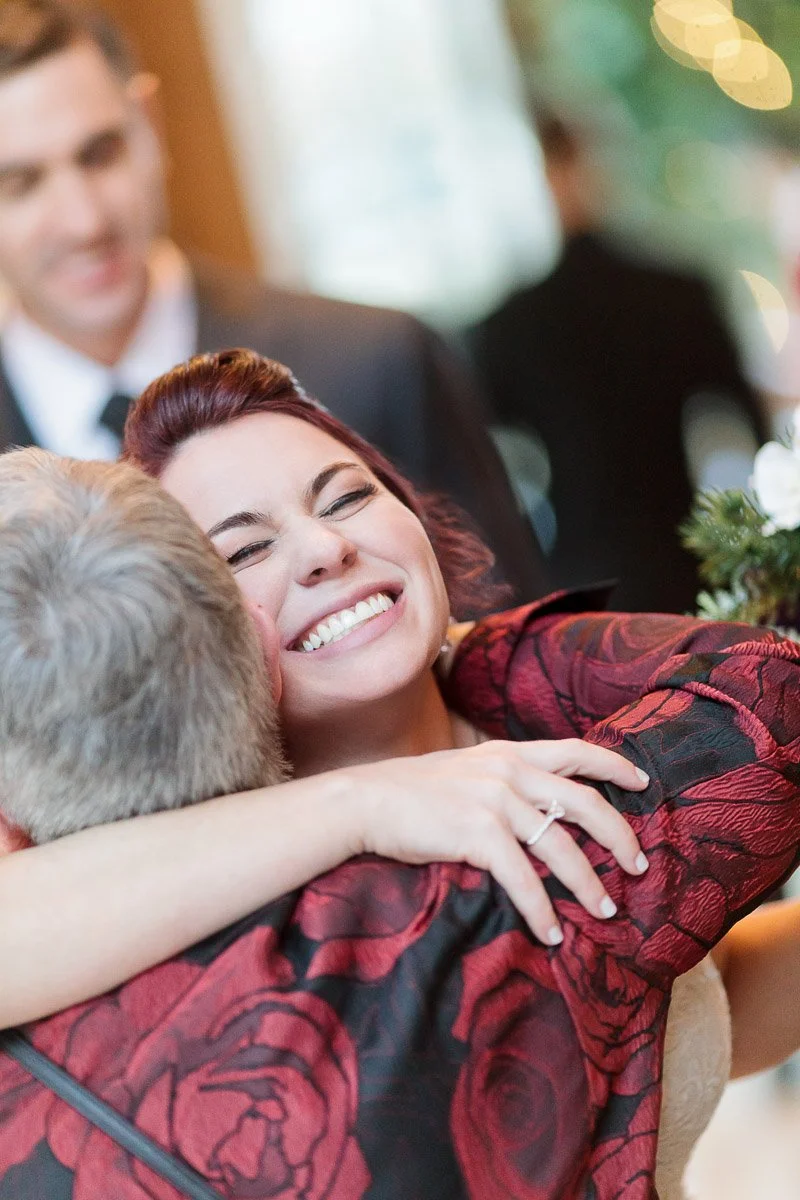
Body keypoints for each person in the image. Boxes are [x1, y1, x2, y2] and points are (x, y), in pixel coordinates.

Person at [1, 353, 799, 1199]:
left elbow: (681, 1012)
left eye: (346, 497)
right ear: (197, 638)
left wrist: (465, 653)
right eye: (244, 551)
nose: (325, 547)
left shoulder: (549, 747)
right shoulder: (199, 908)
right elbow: (771, 693)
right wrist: (357, 801)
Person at [0, 0, 546, 602]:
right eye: (19, 185)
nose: (83, 221)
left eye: (100, 154)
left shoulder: (376, 362)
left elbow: (510, 651)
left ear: (150, 126)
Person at [473, 109, 768, 612]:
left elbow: (489, 467)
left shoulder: (507, 324)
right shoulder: (677, 293)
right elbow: (751, 425)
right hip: (685, 553)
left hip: (578, 569)